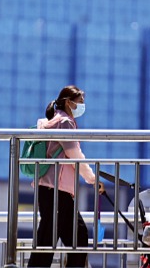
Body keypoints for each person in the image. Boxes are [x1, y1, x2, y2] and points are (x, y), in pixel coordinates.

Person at [28, 85, 105, 268]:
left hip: (51, 189)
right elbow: (75, 155)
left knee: (56, 237)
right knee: (71, 237)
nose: (82, 107)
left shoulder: (55, 120)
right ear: (69, 103)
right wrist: (93, 179)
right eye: (80, 102)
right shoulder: (64, 122)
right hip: (57, 190)